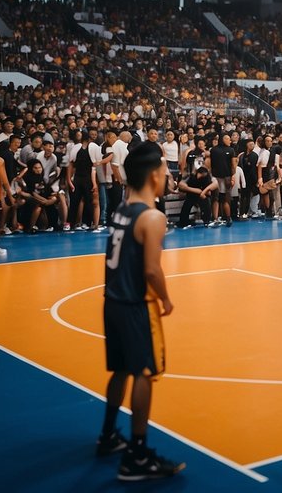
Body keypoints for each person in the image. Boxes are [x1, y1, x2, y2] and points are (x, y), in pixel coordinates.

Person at [96, 140, 183, 481]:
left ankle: (107, 436)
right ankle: (137, 454)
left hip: (112, 302)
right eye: (164, 171)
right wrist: (165, 298)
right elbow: (151, 270)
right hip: (135, 305)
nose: (166, 177)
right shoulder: (152, 217)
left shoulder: (121, 210)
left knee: (119, 371)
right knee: (144, 373)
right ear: (153, 176)